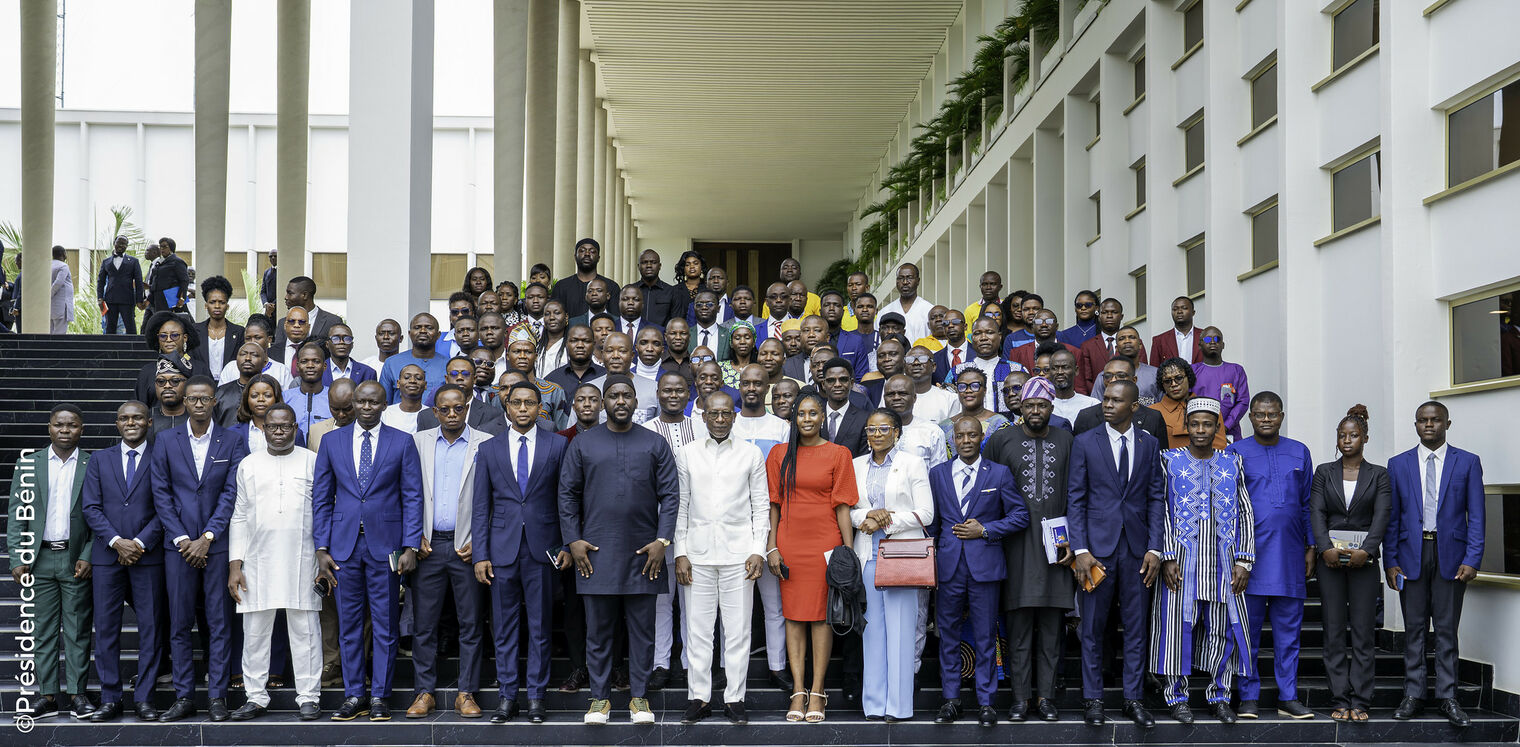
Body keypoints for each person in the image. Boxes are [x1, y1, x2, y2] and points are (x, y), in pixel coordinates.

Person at [558, 375, 679, 725]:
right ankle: (599, 699)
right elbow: (567, 494)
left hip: (645, 553)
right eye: (613, 396)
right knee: (598, 632)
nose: (621, 401)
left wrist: (662, 541)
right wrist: (573, 540)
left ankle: (639, 698)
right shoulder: (583, 444)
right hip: (595, 553)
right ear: (603, 403)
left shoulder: (655, 443)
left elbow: (671, 495)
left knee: (642, 632)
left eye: (627, 395)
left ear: (636, 402)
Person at [312, 380, 424, 721]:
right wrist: (321, 547)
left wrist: (410, 545)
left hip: (386, 546)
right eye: (360, 401)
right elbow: (321, 498)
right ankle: (354, 694)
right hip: (343, 547)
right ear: (353, 403)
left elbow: (412, 496)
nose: (366, 407)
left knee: (385, 625)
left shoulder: (402, 442)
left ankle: (379, 696)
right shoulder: (332, 442)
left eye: (373, 402)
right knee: (348, 625)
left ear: (384, 404)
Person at [1151, 397, 1256, 725]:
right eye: (1194, 423)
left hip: (1223, 562)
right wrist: (1167, 555)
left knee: (1221, 631)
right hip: (1181, 561)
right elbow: (1161, 509)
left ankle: (1220, 696)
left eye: (1207, 424)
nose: (1200, 429)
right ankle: (1177, 697)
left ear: (1217, 427)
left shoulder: (1232, 462)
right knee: (1176, 628)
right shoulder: (1169, 460)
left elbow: (1245, 511)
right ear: (1186, 426)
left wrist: (1244, 560)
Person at [1067, 379, 1165, 729]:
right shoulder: (1084, 442)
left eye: (1115, 400)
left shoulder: (1149, 443)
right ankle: (1093, 700)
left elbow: (1156, 498)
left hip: (1138, 551)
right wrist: (1080, 549)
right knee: (1093, 627)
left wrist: (1155, 547)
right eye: (1105, 398)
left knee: (1137, 628)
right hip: (1096, 553)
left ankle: (1133, 699)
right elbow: (1075, 499)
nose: (1106, 404)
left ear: (1134, 407)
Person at [150, 376, 248, 722]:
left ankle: (217, 697)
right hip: (177, 548)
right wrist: (182, 538)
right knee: (179, 623)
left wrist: (207, 537)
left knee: (219, 623)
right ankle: (184, 696)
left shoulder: (232, 441)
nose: (199, 404)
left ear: (214, 402)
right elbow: (161, 492)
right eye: (193, 399)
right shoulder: (165, 440)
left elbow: (232, 492)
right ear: (185, 402)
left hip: (216, 546)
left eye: (205, 399)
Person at [473, 382, 569, 723]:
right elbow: (481, 506)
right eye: (517, 403)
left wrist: (566, 545)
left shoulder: (557, 445)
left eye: (530, 402)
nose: (523, 408)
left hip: (544, 549)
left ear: (541, 407)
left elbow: (566, 499)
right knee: (503, 627)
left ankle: (537, 698)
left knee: (540, 627)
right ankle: (507, 696)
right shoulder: (489, 448)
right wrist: (480, 554)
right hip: (501, 550)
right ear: (507, 407)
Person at [1385, 401, 1484, 728]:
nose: (1429, 425)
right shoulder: (1398, 464)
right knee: (1414, 628)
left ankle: (1447, 696)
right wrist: (1391, 561)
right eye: (1422, 420)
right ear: (1415, 425)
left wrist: (1472, 558)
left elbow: (1477, 516)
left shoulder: (1467, 462)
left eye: (1435, 420)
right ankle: (1413, 694)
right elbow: (1392, 518)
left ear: (1447, 424)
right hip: (1410, 555)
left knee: (1446, 629)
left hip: (1451, 557)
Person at [672, 392, 769, 725]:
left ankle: (734, 698)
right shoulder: (687, 454)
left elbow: (761, 506)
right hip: (696, 554)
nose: (719, 419)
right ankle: (699, 698)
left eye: (726, 413)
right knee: (698, 631)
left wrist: (758, 549)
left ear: (734, 416)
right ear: (703, 416)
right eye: (713, 413)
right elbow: (681, 505)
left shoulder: (751, 453)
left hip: (739, 555)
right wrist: (680, 551)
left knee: (738, 631)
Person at [984, 376, 1074, 722]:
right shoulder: (1001, 440)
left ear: (1052, 406)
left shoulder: (1066, 440)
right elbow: (988, 491)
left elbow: (1077, 494)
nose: (1035, 410)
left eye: (1042, 405)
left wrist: (1075, 543)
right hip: (1015, 547)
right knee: (1018, 627)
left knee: (1051, 629)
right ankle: (1020, 699)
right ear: (1019, 406)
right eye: (1029, 405)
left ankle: (1046, 698)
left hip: (1058, 549)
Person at [225, 404, 324, 721]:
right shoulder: (249, 464)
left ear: (295, 428)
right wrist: (235, 565)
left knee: (306, 631)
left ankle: (309, 697)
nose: (278, 432)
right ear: (263, 429)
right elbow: (239, 516)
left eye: (285, 426)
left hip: (303, 558)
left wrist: (323, 557)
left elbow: (324, 511)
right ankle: (255, 697)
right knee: (254, 633)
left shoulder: (312, 461)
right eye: (272, 426)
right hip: (257, 560)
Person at [929, 416, 1027, 726]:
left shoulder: (998, 473)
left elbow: (1020, 515)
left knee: (986, 635)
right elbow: (933, 525)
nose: (966, 441)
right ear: (953, 439)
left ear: (982, 437)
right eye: (960, 436)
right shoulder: (938, 474)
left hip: (985, 567)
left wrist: (985, 530)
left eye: (972, 435)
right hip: (948, 567)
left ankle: (987, 702)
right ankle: (951, 700)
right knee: (948, 635)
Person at [766, 392, 859, 723]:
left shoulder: (839, 453)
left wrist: (848, 552)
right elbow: (773, 504)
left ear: (822, 417)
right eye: (801, 413)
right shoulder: (779, 454)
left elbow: (843, 505)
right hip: (790, 544)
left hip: (825, 545)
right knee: (793, 616)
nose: (807, 419)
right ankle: (798, 690)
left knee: (821, 617)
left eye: (813, 413)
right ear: (793, 418)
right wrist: (772, 546)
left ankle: (818, 691)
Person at [404, 384, 492, 720]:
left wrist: (481, 542)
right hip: (428, 546)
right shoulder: (417, 442)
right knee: (424, 625)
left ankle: (466, 693)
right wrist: (413, 536)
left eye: (459, 408)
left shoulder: (486, 443)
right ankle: (424, 692)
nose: (452, 414)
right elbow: (406, 491)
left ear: (467, 408)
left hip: (467, 547)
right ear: (435, 411)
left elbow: (494, 498)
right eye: (445, 409)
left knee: (471, 623)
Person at [1227, 391, 1316, 720]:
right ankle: (1248, 696)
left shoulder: (1299, 451)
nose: (1266, 419)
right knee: (1246, 632)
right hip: (1248, 558)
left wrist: (1311, 546)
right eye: (1260, 414)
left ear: (1281, 416)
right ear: (1250, 416)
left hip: (1290, 554)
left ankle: (1288, 697)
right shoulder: (1235, 452)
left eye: (1272, 414)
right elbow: (1228, 508)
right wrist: (1234, 556)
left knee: (1288, 634)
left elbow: (1307, 504)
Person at [8, 404, 97, 720]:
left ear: (81, 429)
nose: (65, 430)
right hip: (39, 559)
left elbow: (100, 514)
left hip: (76, 559)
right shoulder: (28, 464)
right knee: (42, 630)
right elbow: (18, 513)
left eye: (72, 425)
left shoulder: (93, 463)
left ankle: (77, 694)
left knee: (77, 630)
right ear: (49, 427)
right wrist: (17, 555)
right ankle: (46, 696)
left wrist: (88, 554)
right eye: (59, 424)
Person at [848, 408, 933, 723]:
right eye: (871, 429)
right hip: (867, 555)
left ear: (897, 432)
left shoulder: (912, 464)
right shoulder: (856, 465)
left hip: (901, 557)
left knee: (900, 632)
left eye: (884, 428)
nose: (877, 434)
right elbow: (849, 509)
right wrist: (867, 516)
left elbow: (926, 513)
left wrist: (887, 520)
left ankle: (898, 706)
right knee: (872, 632)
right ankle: (874, 704)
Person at [81, 401, 163, 722]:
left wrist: (139, 543)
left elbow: (166, 507)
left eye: (137, 418)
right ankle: (110, 698)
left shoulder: (161, 457)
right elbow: (91, 507)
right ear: (117, 423)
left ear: (149, 422)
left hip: (148, 555)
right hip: (107, 557)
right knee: (106, 629)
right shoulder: (100, 459)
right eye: (125, 419)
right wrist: (117, 541)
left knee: (151, 629)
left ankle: (144, 698)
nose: (131, 423)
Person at [1311, 404, 1391, 724]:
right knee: (1332, 632)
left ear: (1365, 438)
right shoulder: (1323, 472)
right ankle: (1340, 698)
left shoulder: (1379, 474)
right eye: (1342, 435)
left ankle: (1360, 699)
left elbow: (1382, 515)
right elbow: (1316, 512)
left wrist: (1367, 551)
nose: (1347, 440)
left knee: (1362, 632)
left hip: (1364, 564)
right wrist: (1324, 549)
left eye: (1354, 435)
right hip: (1330, 562)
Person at [642, 371, 709, 688]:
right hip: (657, 527)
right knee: (661, 601)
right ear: (657, 393)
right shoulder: (645, 432)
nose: (672, 395)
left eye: (679, 390)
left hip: (697, 525)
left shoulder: (702, 428)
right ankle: (661, 663)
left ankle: (691, 663)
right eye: (667, 390)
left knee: (694, 602)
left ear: (689, 393)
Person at [729, 364, 794, 689]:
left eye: (758, 383)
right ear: (739, 386)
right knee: (734, 609)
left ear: (767, 387)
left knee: (774, 604)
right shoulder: (728, 422)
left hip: (770, 522)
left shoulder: (781, 427)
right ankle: (728, 669)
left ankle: (777, 666)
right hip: (733, 524)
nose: (752, 388)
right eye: (746, 382)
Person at [1073, 357, 1166, 443]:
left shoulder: (1153, 418)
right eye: (1108, 376)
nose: (1113, 380)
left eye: (1121, 375)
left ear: (1134, 380)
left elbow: (1160, 454)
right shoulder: (1086, 417)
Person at [136, 311, 213, 407]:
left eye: (174, 335)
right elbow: (141, 406)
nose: (168, 339)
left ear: (185, 338)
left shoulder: (200, 369)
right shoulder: (147, 371)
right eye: (163, 336)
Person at [416, 356, 508, 434]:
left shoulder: (493, 414)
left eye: (465, 374)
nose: (459, 378)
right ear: (446, 379)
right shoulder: (425, 417)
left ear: (474, 379)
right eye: (454, 374)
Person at [587, 332, 659, 424]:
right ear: (602, 354)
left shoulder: (653, 388)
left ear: (632, 355)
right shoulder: (588, 389)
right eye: (609, 351)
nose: (615, 356)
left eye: (622, 351)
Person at [1075, 298, 1144, 394]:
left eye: (1114, 312)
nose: (1109, 316)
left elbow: (1142, 372)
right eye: (1104, 313)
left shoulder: (1134, 343)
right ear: (1099, 316)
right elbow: (1086, 379)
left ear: (1121, 316)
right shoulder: (1087, 346)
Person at [1155, 356, 1225, 450]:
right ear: (1162, 384)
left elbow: (1219, 447)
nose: (1173, 384)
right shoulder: (1152, 411)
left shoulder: (1208, 407)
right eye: (1167, 381)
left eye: (1179, 378)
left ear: (1189, 378)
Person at [379, 313, 449, 404]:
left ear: (438, 335)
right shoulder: (392, 363)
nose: (423, 331)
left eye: (429, 328)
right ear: (409, 333)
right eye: (417, 327)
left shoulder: (448, 365)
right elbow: (384, 403)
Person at [1090, 326, 1161, 405]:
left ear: (1140, 345)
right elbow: (1096, 407)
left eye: (1132, 337)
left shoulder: (1155, 374)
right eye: (1122, 338)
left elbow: (1164, 405)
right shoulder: (1105, 376)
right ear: (1116, 348)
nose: (1127, 341)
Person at [551, 238, 621, 319]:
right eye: (582, 251)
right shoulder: (561, 286)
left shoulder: (611, 286)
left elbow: (615, 319)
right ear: (575, 256)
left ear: (598, 258)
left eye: (592, 251)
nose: (587, 254)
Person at [193, 275, 244, 377]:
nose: (217, 306)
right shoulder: (194, 330)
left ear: (227, 306)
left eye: (221, 302)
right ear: (206, 305)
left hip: (230, 382)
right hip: (201, 382)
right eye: (212, 302)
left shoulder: (239, 332)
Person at [98, 236, 146, 335]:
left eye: (124, 244)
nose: (121, 245)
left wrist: (139, 300)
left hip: (127, 299)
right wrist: (100, 298)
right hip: (110, 299)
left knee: (130, 327)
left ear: (127, 246)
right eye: (119, 243)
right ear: (114, 243)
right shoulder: (106, 262)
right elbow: (101, 281)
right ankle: (110, 345)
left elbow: (139, 282)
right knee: (110, 328)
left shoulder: (133, 261)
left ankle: (133, 345)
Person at [276, 275, 343, 344]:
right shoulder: (282, 322)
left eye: (290, 293)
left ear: (305, 295)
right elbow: (277, 348)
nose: (286, 297)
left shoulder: (332, 322)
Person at [286, 341, 332, 438]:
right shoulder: (285, 398)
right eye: (304, 361)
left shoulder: (333, 397)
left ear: (324, 366)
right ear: (297, 366)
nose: (310, 365)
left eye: (316, 361)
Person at [878, 263, 934, 341]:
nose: (905, 282)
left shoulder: (929, 310)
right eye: (900, 278)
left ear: (918, 281)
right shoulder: (885, 312)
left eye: (909, 278)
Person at [905, 345, 959, 423]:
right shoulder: (896, 399)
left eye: (923, 359)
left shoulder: (950, 399)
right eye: (910, 360)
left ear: (933, 366)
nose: (916, 363)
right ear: (904, 367)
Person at [1045, 347, 1098, 424]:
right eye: (1055, 368)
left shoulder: (1091, 404)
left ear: (1076, 370)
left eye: (1065, 367)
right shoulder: (1042, 405)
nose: (1060, 372)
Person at [1150, 296, 1202, 366]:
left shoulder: (1205, 337)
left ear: (1193, 312)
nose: (1179, 311)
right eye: (1175, 309)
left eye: (1184, 308)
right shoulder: (1159, 341)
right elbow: (1153, 369)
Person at [148, 357, 192, 440]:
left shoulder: (197, 418)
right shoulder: (146, 419)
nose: (167, 386)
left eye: (175, 381)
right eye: (161, 381)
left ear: (187, 385)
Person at [633, 249, 680, 326]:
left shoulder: (672, 292)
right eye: (644, 262)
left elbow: (675, 321)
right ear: (638, 266)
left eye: (653, 262)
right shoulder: (630, 291)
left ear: (659, 266)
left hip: (662, 333)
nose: (649, 266)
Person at [381, 364, 428, 434]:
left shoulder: (431, 415)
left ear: (425, 385)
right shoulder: (385, 414)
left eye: (418, 378)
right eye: (407, 377)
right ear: (398, 383)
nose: (412, 381)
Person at [148, 238, 190, 314]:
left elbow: (184, 280)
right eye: (160, 247)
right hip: (157, 298)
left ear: (171, 248)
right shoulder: (159, 262)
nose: (162, 249)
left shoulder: (177, 261)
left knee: (174, 319)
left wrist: (182, 297)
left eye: (164, 246)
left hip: (172, 298)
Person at [932, 309, 972, 382]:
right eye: (945, 323)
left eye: (955, 322)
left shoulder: (979, 354)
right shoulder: (935, 359)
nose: (950, 326)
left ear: (965, 326)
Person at [258, 249, 278, 318]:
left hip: (279, 308)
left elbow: (283, 291)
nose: (273, 258)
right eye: (270, 256)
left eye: (275, 256)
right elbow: (263, 292)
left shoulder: (283, 272)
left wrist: (273, 304)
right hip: (268, 310)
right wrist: (266, 303)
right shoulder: (266, 272)